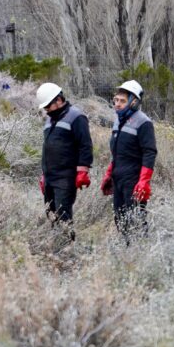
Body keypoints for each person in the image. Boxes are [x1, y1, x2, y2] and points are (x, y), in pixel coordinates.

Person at [99, 80, 157, 240]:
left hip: (134, 180)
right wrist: (109, 174)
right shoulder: (118, 121)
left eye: (122, 101)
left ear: (134, 102)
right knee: (120, 220)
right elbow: (117, 153)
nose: (117, 104)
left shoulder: (143, 122)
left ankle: (143, 252)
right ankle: (128, 254)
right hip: (119, 179)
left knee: (136, 220)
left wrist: (144, 181)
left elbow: (149, 153)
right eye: (116, 100)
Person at [36, 82, 93, 232]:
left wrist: (82, 171)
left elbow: (85, 145)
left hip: (65, 178)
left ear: (59, 100)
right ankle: (56, 250)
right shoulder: (50, 120)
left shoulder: (76, 117)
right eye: (45, 107)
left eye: (48, 106)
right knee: (51, 216)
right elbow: (47, 148)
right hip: (50, 177)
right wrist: (44, 174)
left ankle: (68, 248)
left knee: (63, 216)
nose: (47, 110)